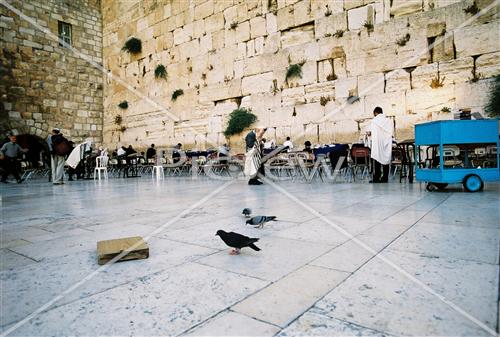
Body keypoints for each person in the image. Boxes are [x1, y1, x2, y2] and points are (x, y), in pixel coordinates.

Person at [367, 106, 393, 183]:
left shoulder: (374, 121)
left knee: (376, 159)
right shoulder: (389, 121)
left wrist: (369, 135)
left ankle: (376, 178)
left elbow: (369, 133)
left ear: (375, 113)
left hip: (377, 144)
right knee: (386, 159)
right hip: (386, 143)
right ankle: (385, 178)